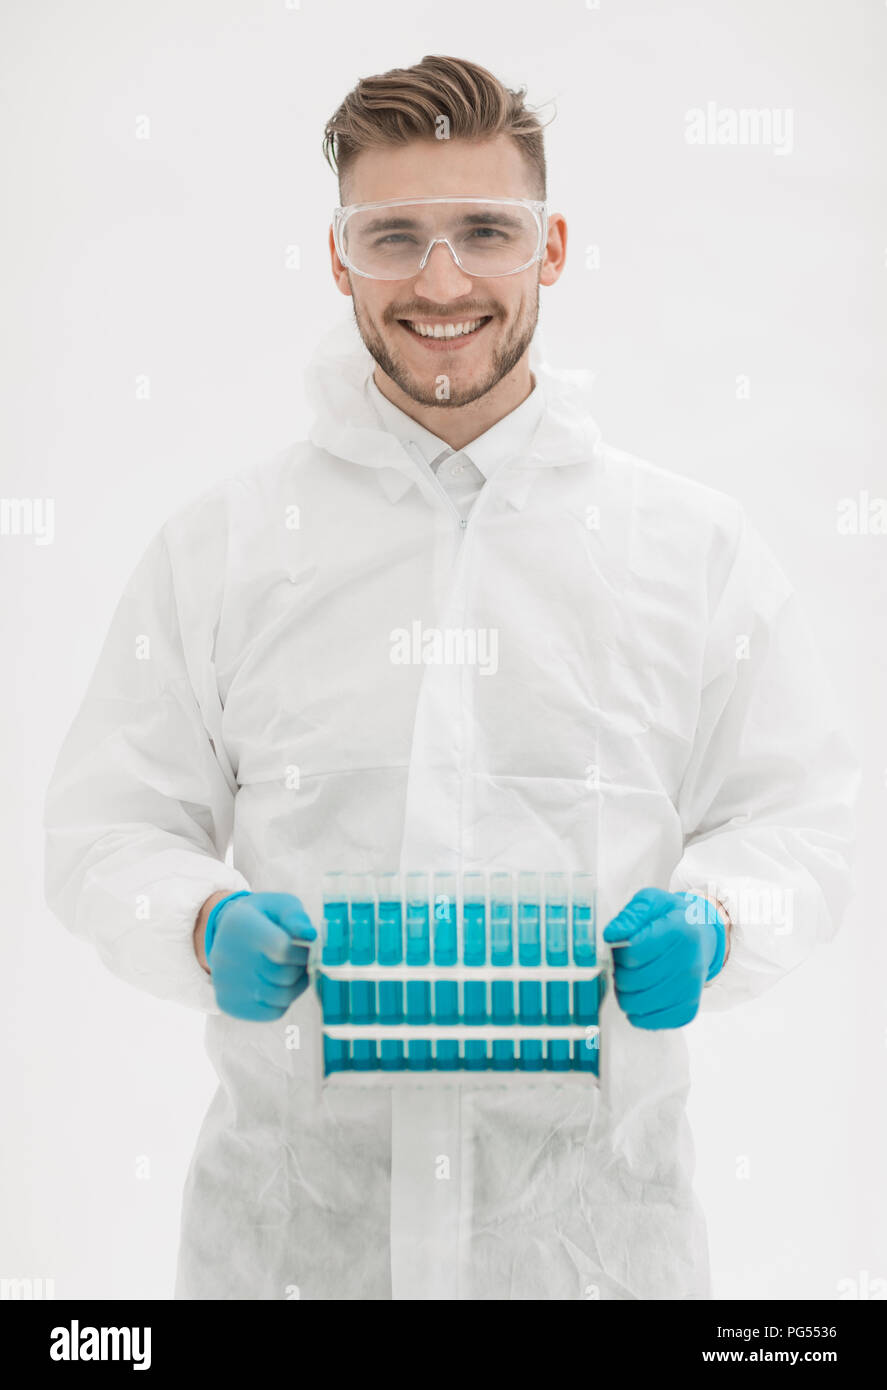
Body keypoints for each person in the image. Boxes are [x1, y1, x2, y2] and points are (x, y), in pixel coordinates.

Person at [44, 54, 858, 1300]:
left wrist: (722, 918)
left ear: (552, 246)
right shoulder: (223, 549)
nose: (439, 280)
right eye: (393, 236)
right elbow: (106, 830)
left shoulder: (686, 553)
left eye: (485, 230)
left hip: (595, 1261)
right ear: (337, 257)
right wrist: (199, 924)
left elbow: (799, 818)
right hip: (286, 1257)